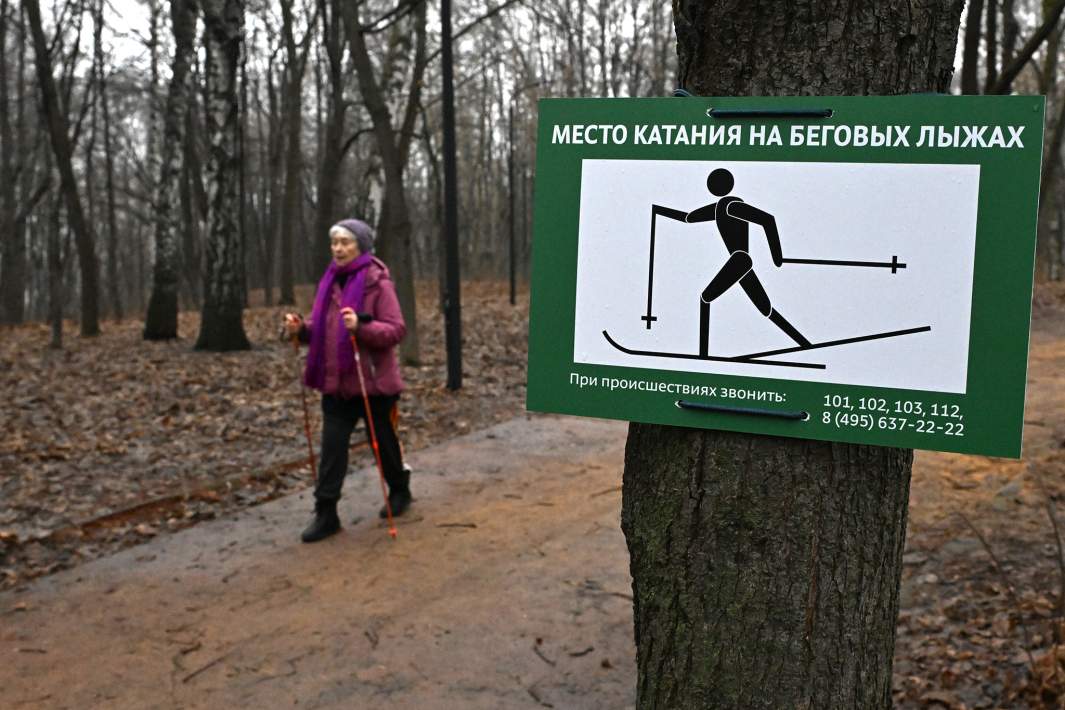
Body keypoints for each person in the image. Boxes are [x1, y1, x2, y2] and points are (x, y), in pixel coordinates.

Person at [283, 218, 411, 543]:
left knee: (383, 445)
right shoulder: (329, 281)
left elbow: (396, 329)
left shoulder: (377, 283)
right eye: (335, 242)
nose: (338, 249)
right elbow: (325, 328)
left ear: (361, 247)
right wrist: (303, 328)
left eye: (345, 242)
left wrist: (362, 328)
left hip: (373, 386)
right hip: (337, 383)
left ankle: (399, 490)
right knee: (332, 451)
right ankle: (326, 513)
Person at [654, 168, 810, 356]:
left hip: (740, 259)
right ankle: (805, 344)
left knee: (705, 298)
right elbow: (688, 218)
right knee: (766, 309)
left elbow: (768, 220)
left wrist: (777, 257)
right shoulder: (719, 207)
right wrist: (659, 210)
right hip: (740, 262)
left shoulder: (731, 207)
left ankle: (703, 355)